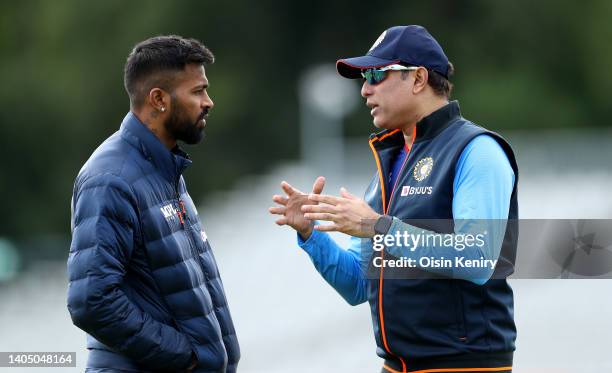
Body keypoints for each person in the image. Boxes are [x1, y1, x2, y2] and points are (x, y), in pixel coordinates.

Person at [270, 25, 518, 373]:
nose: (365, 90)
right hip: (396, 366)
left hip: (463, 366)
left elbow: (476, 258)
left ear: (418, 79)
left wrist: (379, 226)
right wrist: (312, 235)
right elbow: (358, 283)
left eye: (375, 75)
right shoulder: (390, 162)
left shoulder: (477, 151)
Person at [67, 35, 240, 373]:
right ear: (158, 99)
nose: (209, 102)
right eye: (197, 91)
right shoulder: (111, 179)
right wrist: (185, 357)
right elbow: (91, 300)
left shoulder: (166, 170)